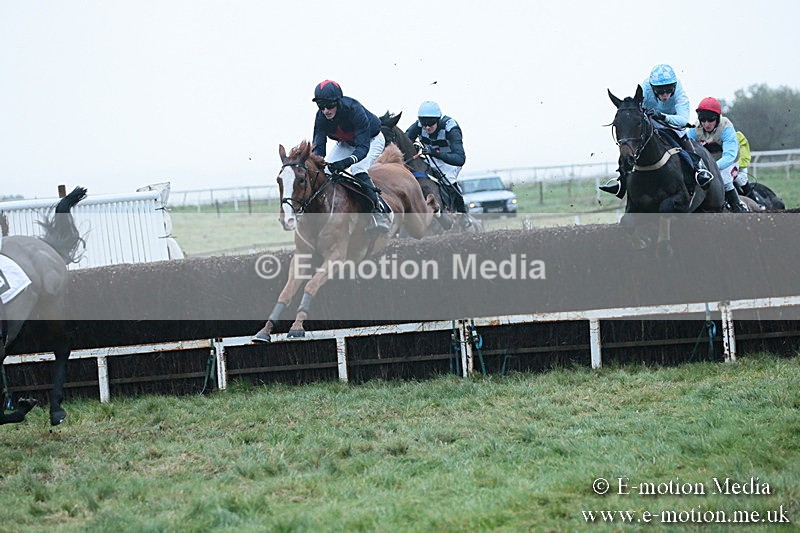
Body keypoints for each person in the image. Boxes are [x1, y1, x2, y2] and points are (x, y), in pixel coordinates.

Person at [600, 64, 713, 199]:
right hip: (652, 122)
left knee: (683, 139)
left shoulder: (679, 93)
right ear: (652, 88)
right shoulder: (645, 88)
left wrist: (662, 116)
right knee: (634, 143)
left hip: (674, 123)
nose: (665, 95)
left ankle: (699, 170)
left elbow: (683, 119)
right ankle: (622, 180)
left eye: (668, 90)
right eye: (660, 91)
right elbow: (636, 111)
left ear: (674, 86)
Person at [311, 79, 390, 233]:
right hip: (346, 143)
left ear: (338, 102)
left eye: (329, 105)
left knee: (358, 168)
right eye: (321, 106)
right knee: (324, 172)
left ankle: (379, 212)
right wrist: (316, 162)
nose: (326, 110)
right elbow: (319, 149)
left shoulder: (354, 110)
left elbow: (362, 148)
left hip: (371, 140)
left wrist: (346, 162)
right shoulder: (320, 117)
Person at [405, 101, 470, 227]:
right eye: (424, 124)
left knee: (448, 179)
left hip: (449, 161)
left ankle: (463, 215)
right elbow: (405, 140)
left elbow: (460, 158)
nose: (427, 128)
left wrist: (434, 152)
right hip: (429, 158)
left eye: (430, 124)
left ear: (438, 120)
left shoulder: (451, 127)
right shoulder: (418, 125)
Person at [686, 97, 750, 212]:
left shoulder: (726, 127)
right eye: (703, 120)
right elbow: (686, 147)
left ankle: (737, 206)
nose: (706, 124)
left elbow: (729, 156)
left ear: (717, 118)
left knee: (724, 179)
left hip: (727, 161)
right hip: (708, 162)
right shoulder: (695, 129)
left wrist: (712, 167)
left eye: (710, 120)